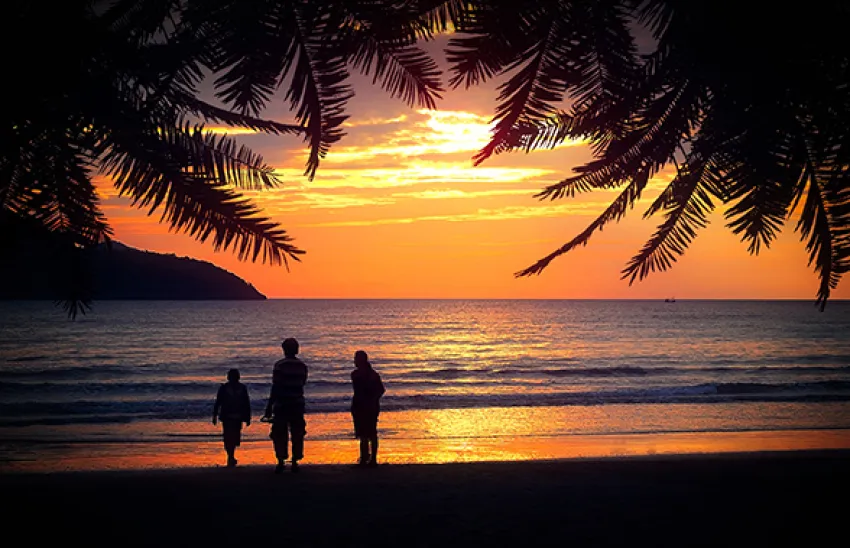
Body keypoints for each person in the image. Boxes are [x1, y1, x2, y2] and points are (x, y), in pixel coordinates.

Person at [264, 337, 308, 474]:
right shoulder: (302, 366)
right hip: (297, 403)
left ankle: (281, 460)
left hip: (282, 404)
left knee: (279, 433)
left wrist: (269, 405)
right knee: (297, 433)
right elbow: (303, 383)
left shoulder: (279, 365)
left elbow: (276, 386)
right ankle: (295, 460)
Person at [350, 350, 385, 467]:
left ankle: (366, 458)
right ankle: (370, 458)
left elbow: (378, 390)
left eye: (356, 359)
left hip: (363, 406)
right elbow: (381, 390)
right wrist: (374, 399)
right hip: (369, 406)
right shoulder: (373, 374)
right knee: (370, 433)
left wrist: (371, 399)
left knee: (364, 433)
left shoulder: (356, 375)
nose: (354, 361)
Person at [212, 368, 251, 468]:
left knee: (234, 437)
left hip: (237, 416)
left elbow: (246, 403)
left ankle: (231, 456)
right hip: (227, 416)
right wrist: (215, 415)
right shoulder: (224, 388)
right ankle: (230, 456)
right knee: (228, 437)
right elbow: (218, 402)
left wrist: (248, 416)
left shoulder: (242, 388)